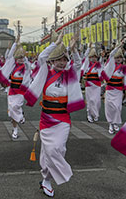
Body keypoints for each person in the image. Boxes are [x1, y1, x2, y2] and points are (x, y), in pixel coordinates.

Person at [22, 33, 85, 197]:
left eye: (64, 60)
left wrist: (74, 49)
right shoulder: (46, 72)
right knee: (48, 151)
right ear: (53, 61)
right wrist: (54, 43)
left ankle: (47, 178)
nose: (62, 63)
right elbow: (41, 58)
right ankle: (46, 179)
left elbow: (78, 63)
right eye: (59, 60)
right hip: (46, 118)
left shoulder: (70, 74)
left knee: (58, 149)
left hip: (63, 119)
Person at [1, 39, 33, 139]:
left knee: (15, 107)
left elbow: (27, 62)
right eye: (18, 58)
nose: (20, 60)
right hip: (11, 91)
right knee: (11, 111)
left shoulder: (26, 67)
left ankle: (20, 116)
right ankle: (15, 129)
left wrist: (22, 50)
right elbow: (9, 56)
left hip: (21, 92)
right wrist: (15, 45)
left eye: (22, 58)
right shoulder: (12, 66)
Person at [101, 39, 126, 134]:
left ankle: (115, 123)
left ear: (122, 58)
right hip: (110, 89)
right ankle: (110, 124)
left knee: (117, 107)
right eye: (116, 57)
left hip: (118, 90)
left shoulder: (124, 68)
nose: (118, 59)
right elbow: (111, 54)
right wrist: (118, 47)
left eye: (119, 57)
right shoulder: (110, 65)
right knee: (109, 107)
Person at [80, 45, 102, 123]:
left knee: (97, 101)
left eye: (95, 57)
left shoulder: (98, 65)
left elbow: (101, 75)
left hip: (97, 85)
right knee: (90, 101)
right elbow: (84, 58)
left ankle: (96, 114)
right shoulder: (87, 64)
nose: (93, 58)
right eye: (92, 56)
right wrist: (88, 48)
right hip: (89, 85)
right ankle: (89, 115)